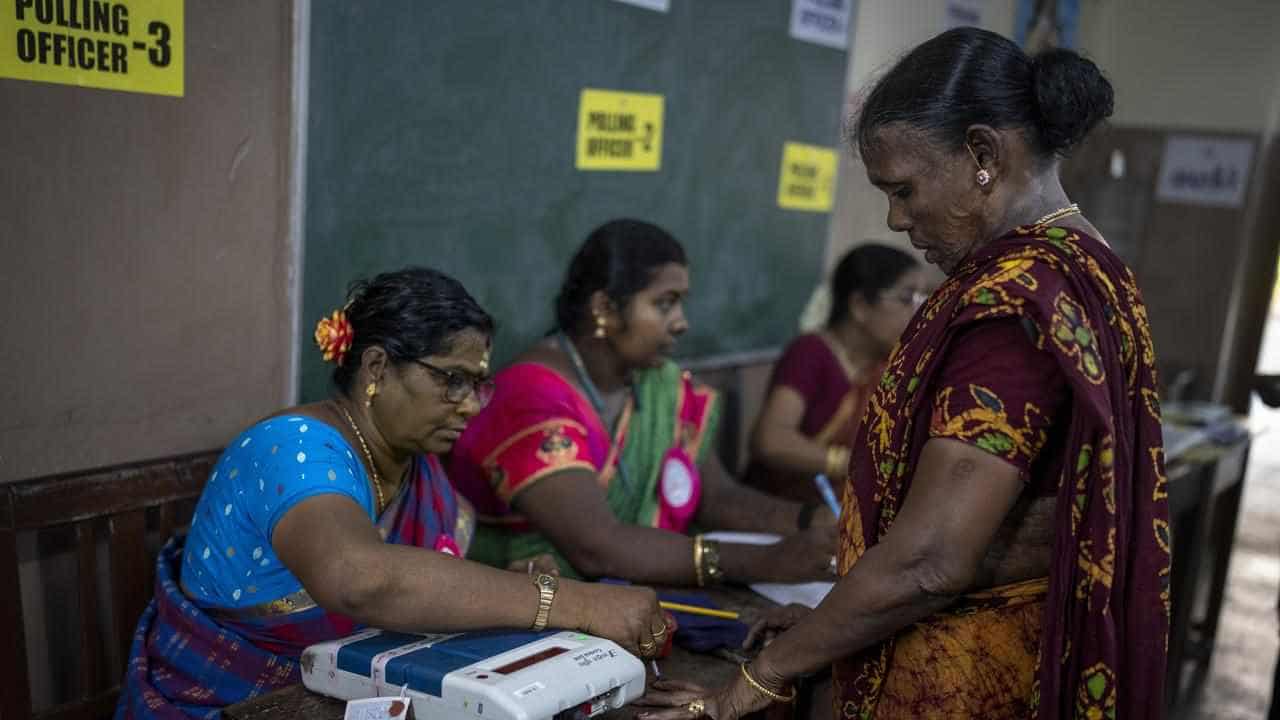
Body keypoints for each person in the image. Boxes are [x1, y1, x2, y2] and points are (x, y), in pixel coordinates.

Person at [636, 27, 1168, 720]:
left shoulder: (1016, 303)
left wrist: (759, 679)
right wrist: (835, 626)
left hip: (967, 674)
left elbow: (931, 560)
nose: (894, 218)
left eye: (904, 189)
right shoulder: (1092, 266)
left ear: (982, 153)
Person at [116, 268, 669, 719]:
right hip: (233, 706)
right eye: (452, 379)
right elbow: (364, 581)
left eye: (479, 383)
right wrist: (569, 601)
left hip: (343, 697)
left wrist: (512, 592)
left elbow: (416, 589)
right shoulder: (293, 450)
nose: (473, 405)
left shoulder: (414, 467)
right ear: (377, 365)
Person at [447, 219, 837, 586]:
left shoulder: (655, 383)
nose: (682, 322)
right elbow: (598, 546)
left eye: (680, 302)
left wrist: (812, 521)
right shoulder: (530, 396)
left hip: (624, 596)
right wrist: (766, 561)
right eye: (664, 303)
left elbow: (716, 496)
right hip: (525, 609)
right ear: (604, 309)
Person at [745, 244, 925, 504]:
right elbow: (770, 439)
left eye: (921, 299)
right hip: (780, 514)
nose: (917, 312)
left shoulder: (884, 368)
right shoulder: (811, 353)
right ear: (860, 305)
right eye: (907, 298)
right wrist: (851, 465)